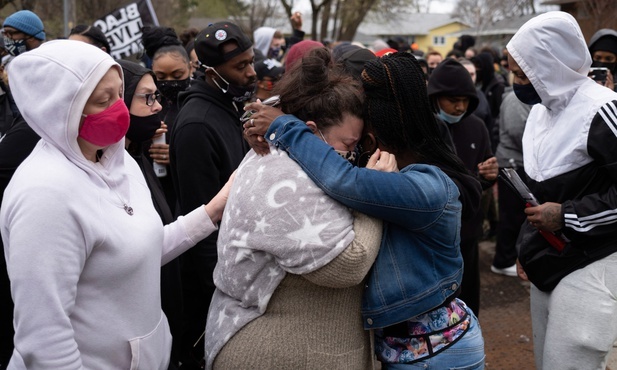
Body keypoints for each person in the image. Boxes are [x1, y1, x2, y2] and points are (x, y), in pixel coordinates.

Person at [0, 39, 233, 369]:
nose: (119, 108)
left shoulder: (119, 160)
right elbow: (44, 337)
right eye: (102, 100)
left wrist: (214, 209)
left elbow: (139, 249)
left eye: (118, 94)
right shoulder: (44, 194)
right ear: (62, 108)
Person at [246, 52, 485, 369]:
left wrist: (284, 128)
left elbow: (343, 181)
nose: (355, 149)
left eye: (359, 140)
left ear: (378, 131)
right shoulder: (395, 167)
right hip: (411, 351)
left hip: (438, 355)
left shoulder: (427, 187)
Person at [205, 46, 382, 370]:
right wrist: (373, 193)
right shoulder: (282, 173)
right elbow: (348, 263)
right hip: (267, 351)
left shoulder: (288, 156)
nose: (353, 155)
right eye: (349, 145)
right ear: (311, 130)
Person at [507, 11, 617, 369]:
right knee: (547, 361)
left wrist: (567, 215)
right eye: (513, 71)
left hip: (595, 261)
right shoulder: (540, 112)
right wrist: (527, 247)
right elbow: (536, 194)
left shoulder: (603, 109)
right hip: (549, 264)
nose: (516, 82)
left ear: (552, 67)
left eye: (523, 73)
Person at [169, 21, 254, 368]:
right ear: (212, 74)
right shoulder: (197, 125)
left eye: (251, 61)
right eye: (240, 66)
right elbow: (200, 220)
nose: (251, 72)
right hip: (209, 286)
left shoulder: (228, 108)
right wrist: (218, 298)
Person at [116, 58, 186, 368]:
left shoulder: (134, 157)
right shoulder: (107, 170)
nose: (157, 107)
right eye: (147, 97)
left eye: (156, 97)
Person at [427, 58, 498, 315]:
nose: (459, 107)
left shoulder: (477, 127)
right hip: (431, 238)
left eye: (465, 100)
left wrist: (490, 174)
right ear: (435, 97)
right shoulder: (423, 130)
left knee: (467, 306)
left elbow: (484, 175)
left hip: (467, 233)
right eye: (452, 100)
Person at [141, 25, 191, 211]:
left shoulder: (197, 105)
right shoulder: (144, 104)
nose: (169, 81)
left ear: (190, 68)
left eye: (177, 75)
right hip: (152, 196)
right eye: (161, 76)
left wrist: (179, 156)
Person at [491, 90, 531, 277]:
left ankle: (508, 256)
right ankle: (503, 259)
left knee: (516, 214)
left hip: (518, 161)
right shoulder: (517, 97)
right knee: (512, 214)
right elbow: (518, 132)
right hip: (513, 162)